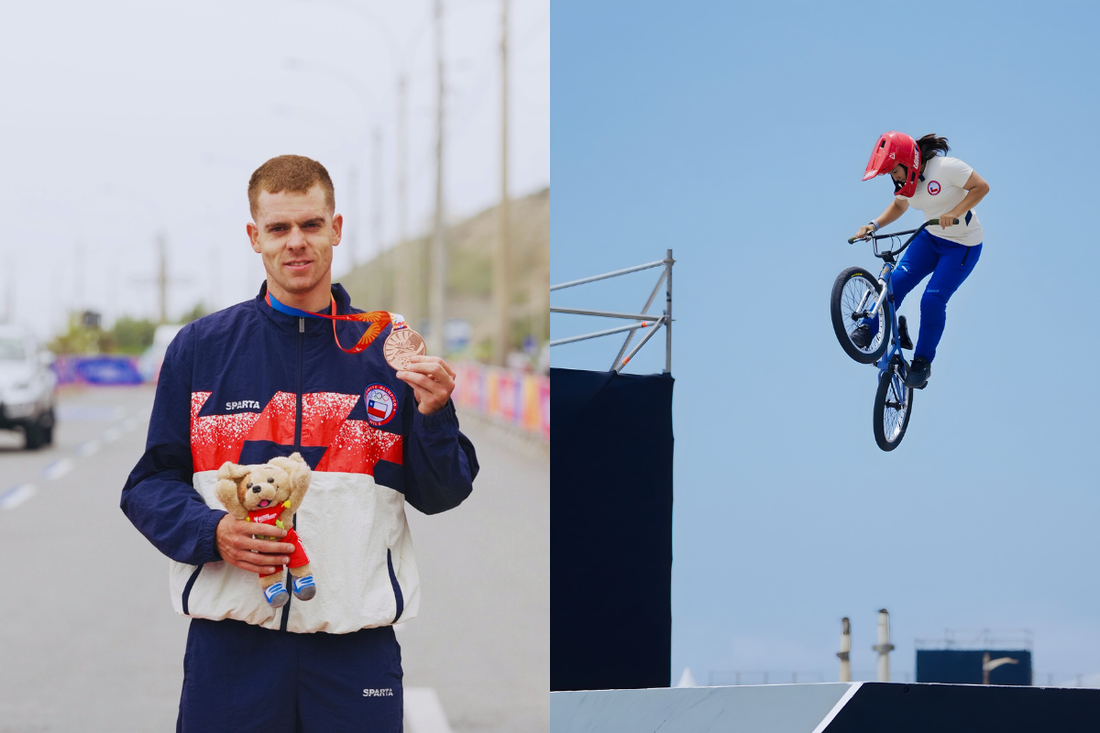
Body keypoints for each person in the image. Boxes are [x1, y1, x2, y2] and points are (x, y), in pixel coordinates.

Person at [120, 154, 478, 732]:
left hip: (354, 649)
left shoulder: (388, 348)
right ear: (254, 237)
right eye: (279, 228)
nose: (296, 243)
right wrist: (211, 532)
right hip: (231, 652)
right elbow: (149, 483)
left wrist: (435, 415)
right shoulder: (201, 348)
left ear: (336, 228)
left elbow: (442, 493)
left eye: (311, 225)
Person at [853, 132, 990, 387]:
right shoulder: (909, 183)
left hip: (962, 246)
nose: (893, 178)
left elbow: (981, 187)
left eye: (894, 171)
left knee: (931, 300)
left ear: (908, 161)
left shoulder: (947, 168)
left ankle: (922, 363)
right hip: (930, 238)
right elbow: (899, 205)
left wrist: (955, 212)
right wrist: (874, 225)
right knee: (894, 283)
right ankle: (868, 329)